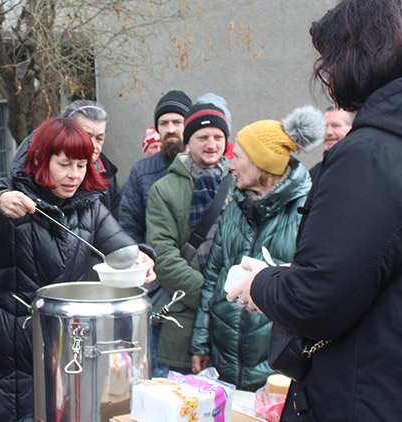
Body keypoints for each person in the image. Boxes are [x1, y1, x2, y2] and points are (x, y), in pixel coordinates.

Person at [226, 0, 402, 419]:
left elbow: (314, 299)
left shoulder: (372, 156)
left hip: (363, 395)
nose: (328, 77)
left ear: (360, 54)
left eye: (329, 60)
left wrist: (260, 284)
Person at [0, 117, 156, 422]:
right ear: (39, 159)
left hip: (68, 354)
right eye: (64, 164)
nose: (74, 175)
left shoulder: (90, 206)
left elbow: (122, 249)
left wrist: (142, 257)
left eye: (81, 165)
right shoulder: (10, 196)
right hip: (9, 355)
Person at [190, 106, 321, 390]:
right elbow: (213, 278)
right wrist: (201, 343)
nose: (231, 165)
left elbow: (310, 290)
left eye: (237, 157)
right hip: (224, 364)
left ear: (261, 163)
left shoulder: (306, 213)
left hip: (276, 373)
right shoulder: (235, 208)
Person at [145, 103, 231, 375]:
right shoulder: (164, 189)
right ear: (188, 141)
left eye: (218, 137)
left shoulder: (239, 182)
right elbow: (165, 259)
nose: (211, 144)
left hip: (234, 320)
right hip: (183, 318)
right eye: (203, 137)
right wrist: (213, 296)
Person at [119, 90, 192, 244]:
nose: (171, 129)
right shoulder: (142, 171)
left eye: (177, 122)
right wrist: (143, 258)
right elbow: (129, 227)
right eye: (164, 123)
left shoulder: (204, 166)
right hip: (154, 263)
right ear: (157, 128)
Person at [308, 106, 354, 181]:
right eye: (325, 127)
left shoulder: (360, 166)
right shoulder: (314, 174)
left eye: (336, 125)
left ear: (351, 128)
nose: (328, 132)